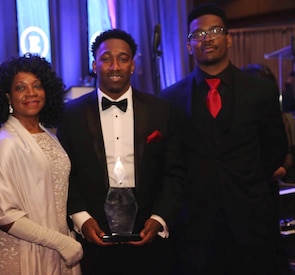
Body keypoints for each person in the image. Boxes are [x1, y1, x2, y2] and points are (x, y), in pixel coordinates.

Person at [161, 4, 288, 274]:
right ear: (188, 46)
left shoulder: (261, 92)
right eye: (198, 34)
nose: (207, 38)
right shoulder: (171, 98)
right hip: (196, 225)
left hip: (252, 219)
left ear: (228, 39)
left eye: (215, 31)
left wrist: (247, 179)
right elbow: (171, 158)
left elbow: (275, 149)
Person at [56, 29, 186, 275]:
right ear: (95, 65)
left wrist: (159, 218)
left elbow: (175, 172)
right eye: (106, 58)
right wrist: (82, 220)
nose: (114, 66)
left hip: (150, 232)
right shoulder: (70, 115)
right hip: (93, 233)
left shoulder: (162, 111)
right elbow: (64, 174)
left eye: (123, 58)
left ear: (133, 65)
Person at [0, 53, 83, 275]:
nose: (30, 93)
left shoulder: (49, 134)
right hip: (24, 253)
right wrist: (60, 242)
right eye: (21, 88)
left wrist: (64, 240)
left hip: (60, 248)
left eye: (37, 86)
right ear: (8, 97)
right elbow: (0, 214)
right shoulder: (7, 142)